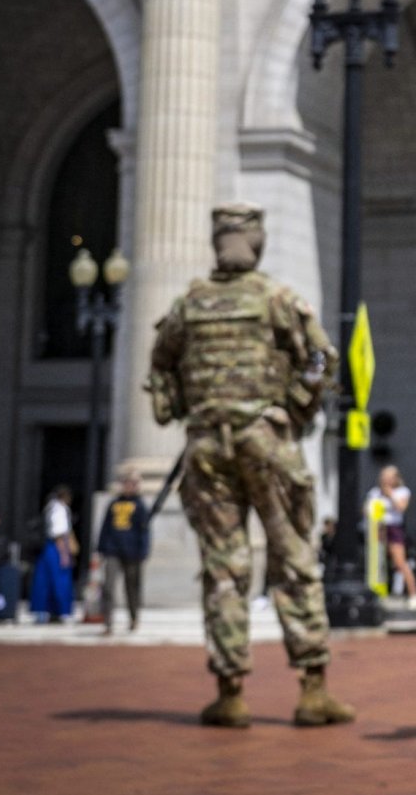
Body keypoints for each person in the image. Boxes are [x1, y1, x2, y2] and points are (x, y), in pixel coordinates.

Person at [145, 202, 354, 729]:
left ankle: (230, 690)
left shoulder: (188, 304)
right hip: (266, 441)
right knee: (293, 560)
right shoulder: (276, 299)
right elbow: (323, 358)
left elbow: (161, 366)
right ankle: (312, 689)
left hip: (206, 448)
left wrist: (180, 409)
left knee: (223, 568)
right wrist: (296, 405)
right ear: (256, 243)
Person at [97, 470, 151, 634]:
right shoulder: (113, 504)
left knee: (132, 587)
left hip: (133, 552)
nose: (130, 486)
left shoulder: (140, 505)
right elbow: (105, 527)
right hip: (113, 550)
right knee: (108, 586)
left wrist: (143, 551)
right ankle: (108, 622)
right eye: (128, 482)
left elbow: (145, 531)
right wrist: (101, 549)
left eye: (134, 483)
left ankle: (133, 618)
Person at [367, 466, 416, 607]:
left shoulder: (402, 491)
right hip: (378, 528)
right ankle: (379, 592)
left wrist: (390, 494)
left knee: (400, 562)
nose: (385, 480)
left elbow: (401, 507)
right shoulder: (375, 492)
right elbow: (367, 510)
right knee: (377, 562)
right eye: (383, 476)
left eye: (388, 477)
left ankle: (413, 594)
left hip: (395, 528)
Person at [27, 485, 76, 624]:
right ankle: (58, 611)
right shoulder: (60, 509)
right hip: (55, 548)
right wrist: (65, 554)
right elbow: (59, 533)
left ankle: (43, 611)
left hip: (48, 548)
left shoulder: (49, 507)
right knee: (58, 579)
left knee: (44, 580)